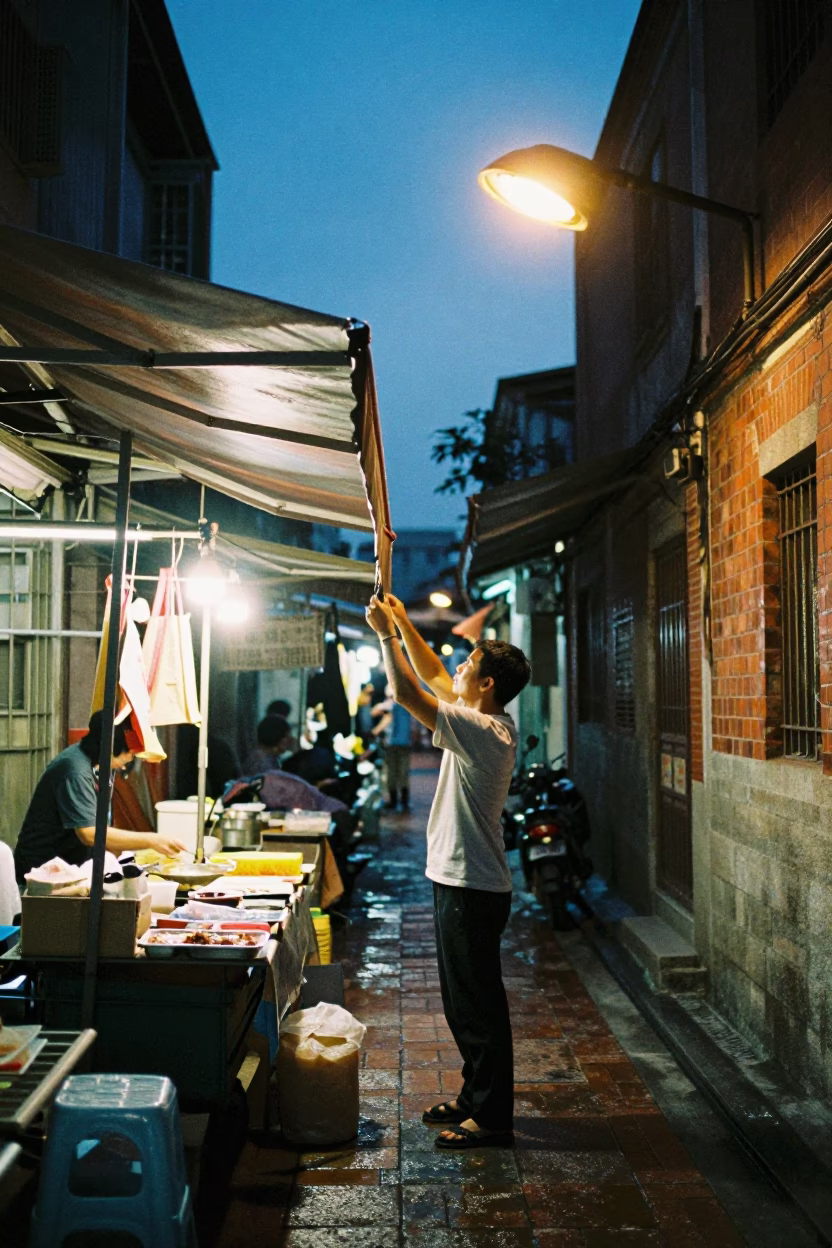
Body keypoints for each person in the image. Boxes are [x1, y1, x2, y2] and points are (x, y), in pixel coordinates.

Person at [365, 592, 530, 1150]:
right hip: (459, 881)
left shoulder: (487, 732)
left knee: (479, 1006)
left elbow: (408, 690)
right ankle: (473, 1096)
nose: (456, 668)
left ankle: (493, 1118)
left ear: (486, 684)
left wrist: (386, 636)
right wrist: (405, 622)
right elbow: (433, 671)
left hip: (473, 886)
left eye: (468, 664)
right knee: (462, 1002)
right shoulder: (476, 720)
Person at [14, 711, 189, 885]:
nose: (131, 757)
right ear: (110, 746)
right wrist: (151, 840)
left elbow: (103, 827)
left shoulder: (104, 765)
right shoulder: (75, 770)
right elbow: (88, 833)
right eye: (128, 751)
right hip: (40, 874)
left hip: (71, 868)